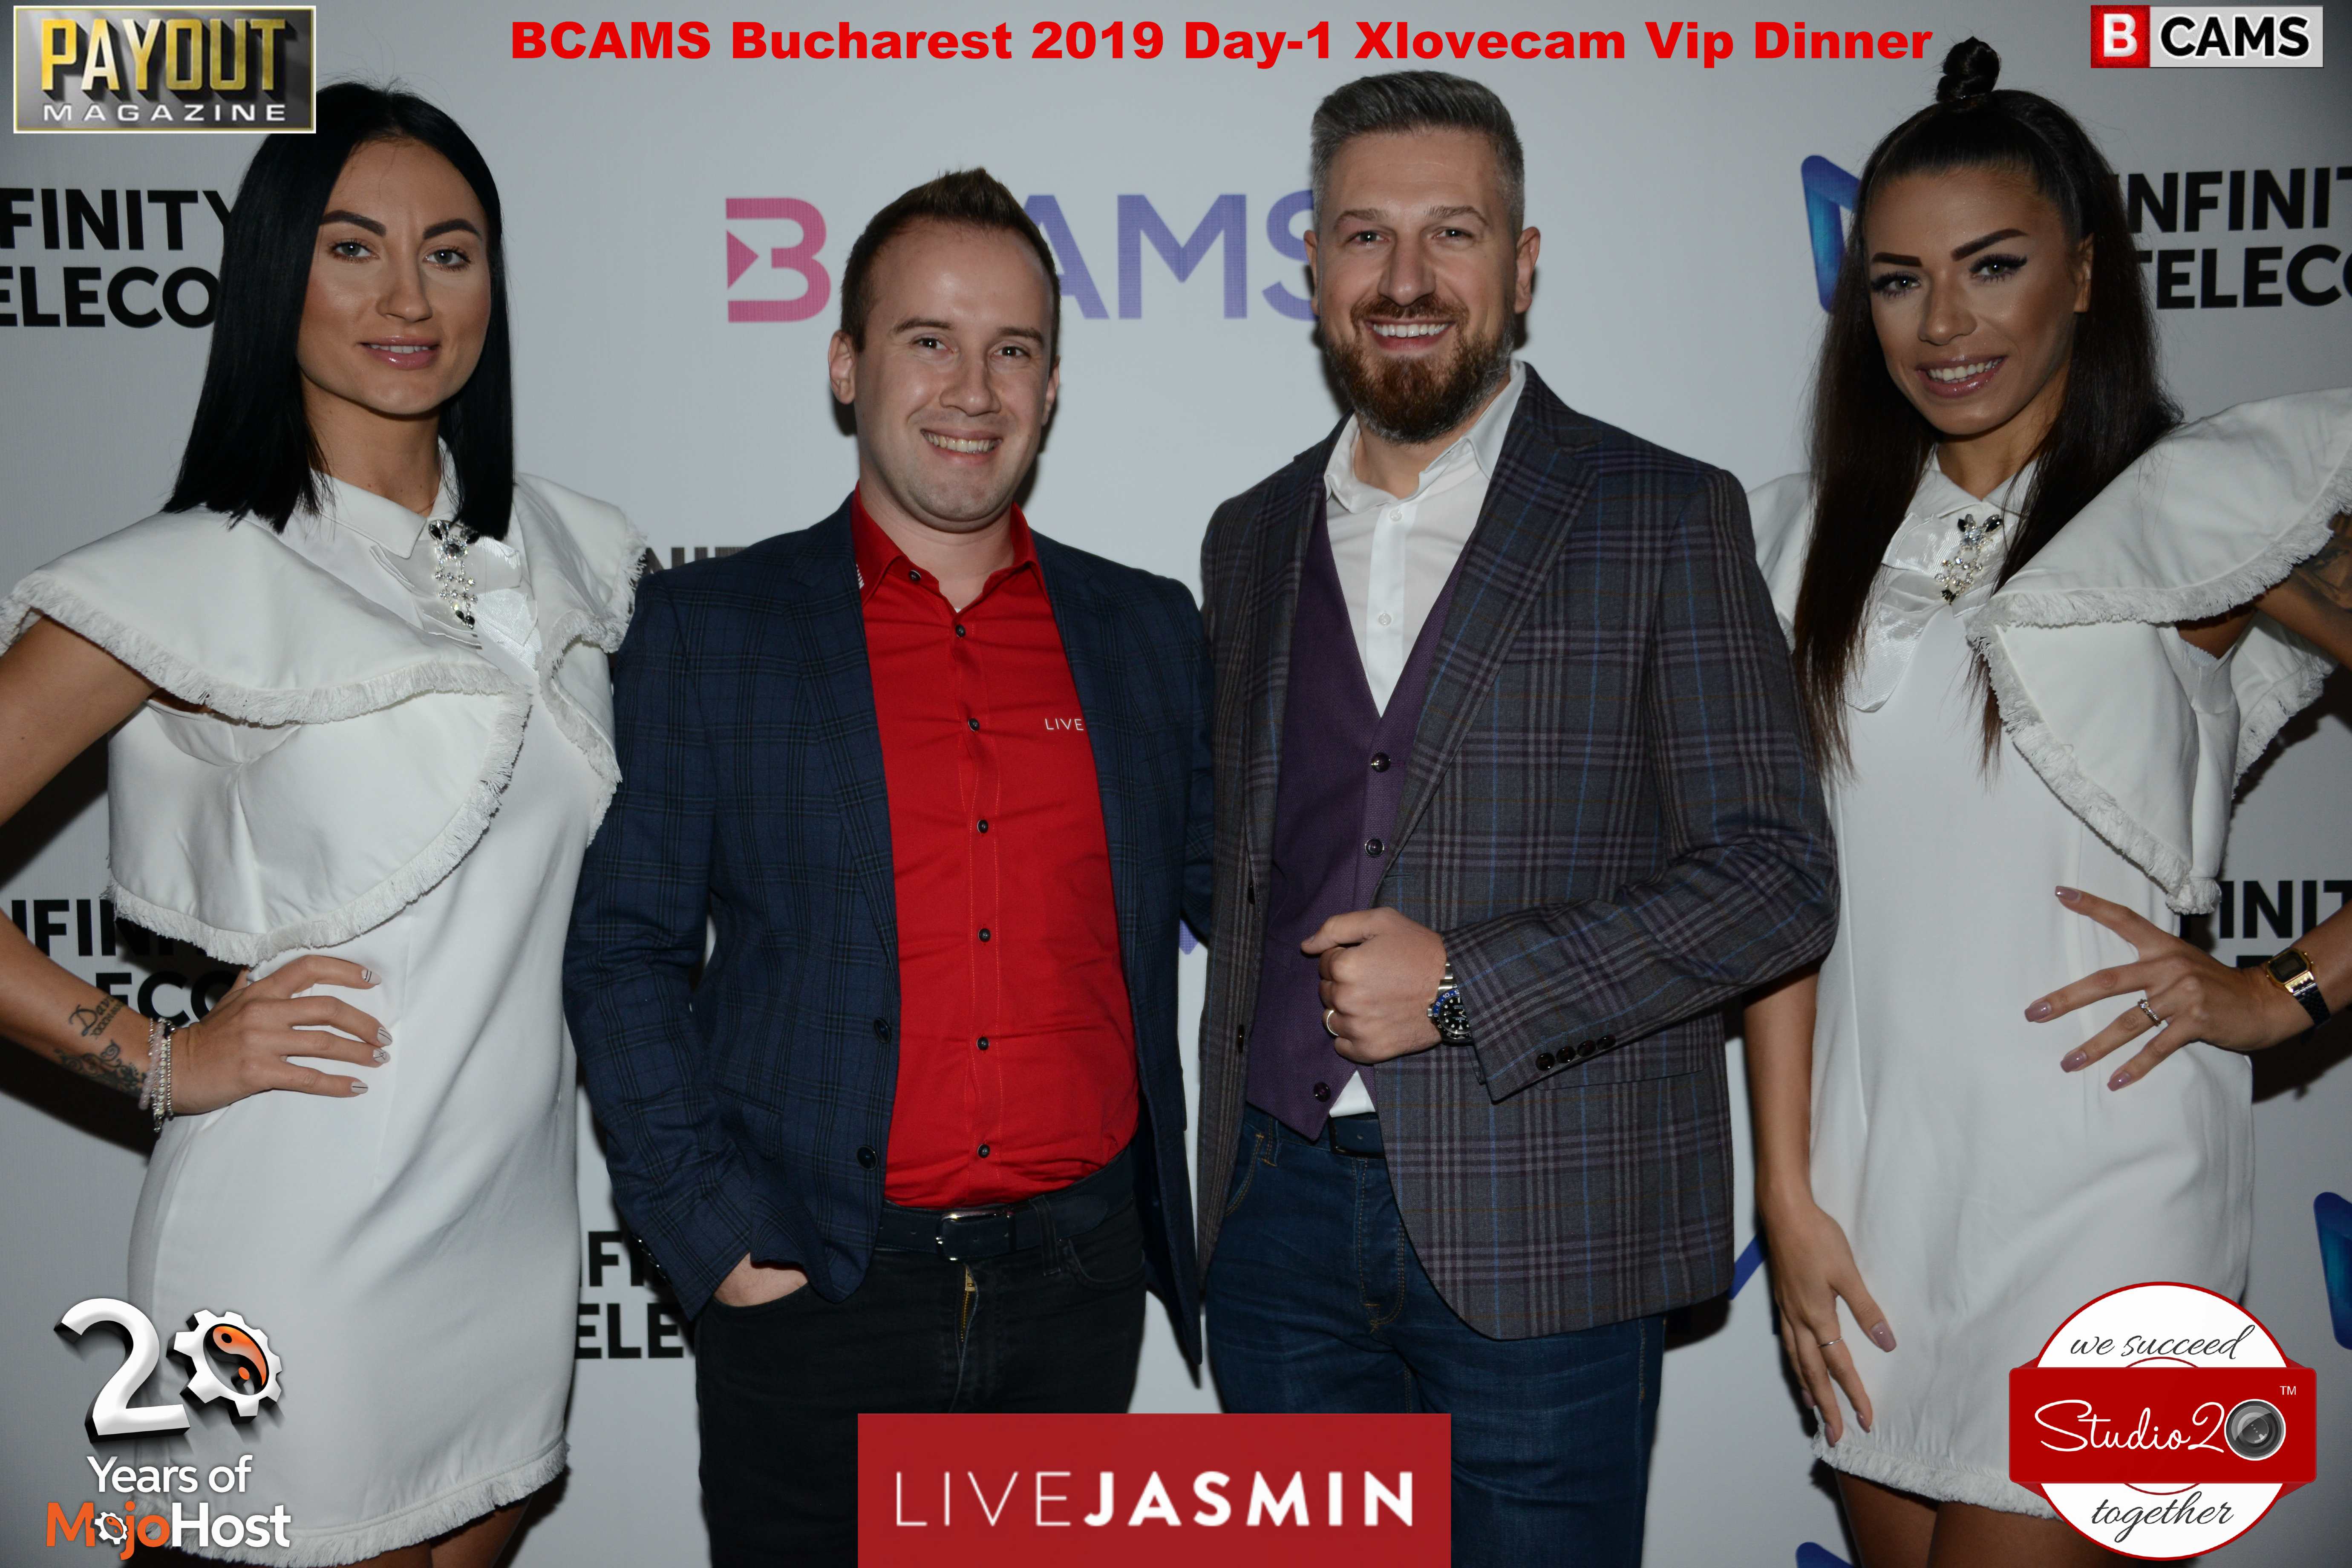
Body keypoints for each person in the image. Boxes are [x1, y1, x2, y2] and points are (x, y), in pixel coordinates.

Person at [1192, 71, 1838, 1566]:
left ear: (1525, 264)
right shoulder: (1248, 536)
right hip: (1278, 1229)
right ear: (1314, 264)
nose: (1405, 280)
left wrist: (1468, 987)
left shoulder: (1663, 513)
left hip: (1553, 1229)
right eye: (1366, 235)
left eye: (1454, 233)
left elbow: (1778, 880)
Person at [0, 86, 643, 1567]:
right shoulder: (189, 575)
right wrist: (160, 1058)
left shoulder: (565, 552)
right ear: (274, 276)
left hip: (508, 1234)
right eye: (353, 249)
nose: (408, 297)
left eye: (450, 253)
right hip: (297, 1249)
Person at [1743, 39, 2352, 1568]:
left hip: (2117, 1186)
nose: (1944, 324)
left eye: (1993, 266)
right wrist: (1788, 1195)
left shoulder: (2202, 509)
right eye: (1898, 281)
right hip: (1875, 1202)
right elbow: (1779, 899)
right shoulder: (1800, 545)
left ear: (2084, 275)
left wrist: (2287, 991)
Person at [563, 167, 1213, 1568]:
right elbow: (623, 951)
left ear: (1052, 385)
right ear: (847, 365)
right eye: (930, 341)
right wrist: (715, 1235)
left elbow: (1253, 892)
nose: (974, 389)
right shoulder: (711, 630)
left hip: (1078, 1291)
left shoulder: (1150, 633)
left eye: (1014, 349)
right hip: (816, 1300)